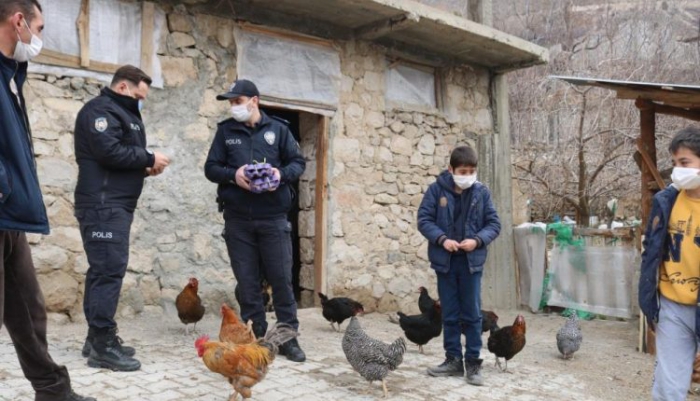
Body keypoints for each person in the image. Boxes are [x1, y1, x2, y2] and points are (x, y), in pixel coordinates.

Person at [0, 1, 95, 400]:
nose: (39, 37)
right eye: (38, 26)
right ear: (18, 21)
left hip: (9, 218)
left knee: (28, 307)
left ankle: (54, 390)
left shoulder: (10, 74)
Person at [73, 65, 170, 371]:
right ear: (125, 87)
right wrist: (149, 157)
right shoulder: (101, 111)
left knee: (102, 270)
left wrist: (144, 168)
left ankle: (95, 338)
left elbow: (118, 159)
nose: (141, 102)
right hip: (104, 206)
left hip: (114, 204)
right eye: (140, 96)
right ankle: (103, 346)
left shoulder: (121, 113)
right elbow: (108, 151)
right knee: (108, 271)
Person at [204, 79, 306, 362]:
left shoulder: (279, 130)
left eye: (238, 101)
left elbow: (298, 163)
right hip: (238, 220)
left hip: (273, 218)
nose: (234, 107)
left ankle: (287, 339)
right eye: (231, 103)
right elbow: (211, 168)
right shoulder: (226, 132)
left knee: (282, 280)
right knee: (247, 283)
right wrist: (232, 175)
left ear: (254, 101)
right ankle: (256, 337)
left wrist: (279, 175)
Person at [417, 145, 501, 386]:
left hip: (471, 264)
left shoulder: (481, 193)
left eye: (471, 171)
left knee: (473, 315)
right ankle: (453, 360)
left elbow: (494, 224)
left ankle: (473, 364)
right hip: (445, 263)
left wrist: (477, 240)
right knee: (450, 313)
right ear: (451, 169)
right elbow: (424, 220)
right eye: (462, 171)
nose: (467, 176)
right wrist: (443, 240)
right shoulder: (436, 191)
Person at [639, 126, 700, 401]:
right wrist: (648, 300)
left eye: (685, 163)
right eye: (675, 163)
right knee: (669, 389)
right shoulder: (666, 201)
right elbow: (650, 251)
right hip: (671, 306)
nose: (678, 170)